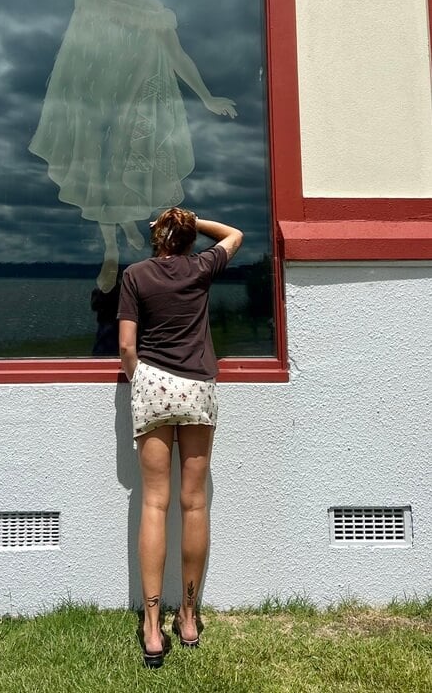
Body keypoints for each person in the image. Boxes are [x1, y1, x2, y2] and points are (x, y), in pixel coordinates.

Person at [29, 0, 237, 292]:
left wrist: (206, 96)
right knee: (99, 175)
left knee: (129, 168)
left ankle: (128, 224)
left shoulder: (153, 11)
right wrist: (67, 104)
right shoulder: (90, 3)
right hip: (95, 105)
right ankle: (111, 252)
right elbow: (71, 56)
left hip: (139, 102)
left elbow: (177, 56)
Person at [117, 206, 243, 668]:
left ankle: (151, 628)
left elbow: (128, 347)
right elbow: (234, 235)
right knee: (194, 502)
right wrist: (193, 220)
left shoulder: (135, 275)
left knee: (155, 502)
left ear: (158, 237)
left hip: (152, 387)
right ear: (189, 238)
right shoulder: (201, 267)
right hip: (197, 389)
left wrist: (142, 380)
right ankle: (187, 617)